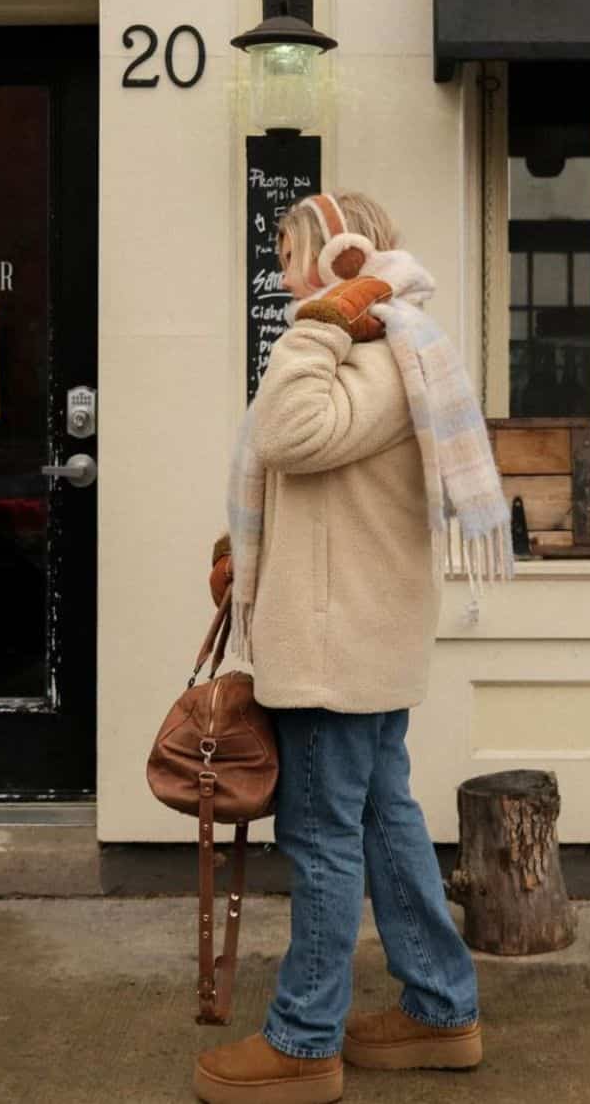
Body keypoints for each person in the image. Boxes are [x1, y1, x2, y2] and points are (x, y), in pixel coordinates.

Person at [192, 191, 515, 1104]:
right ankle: (441, 1007)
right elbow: (322, 479)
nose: (282, 273)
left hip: (337, 651)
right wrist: (247, 549)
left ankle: (303, 1040)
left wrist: (324, 318)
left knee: (321, 838)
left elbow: (292, 432)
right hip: (354, 634)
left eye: (293, 254)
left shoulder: (374, 352)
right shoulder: (381, 350)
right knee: (380, 819)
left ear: (340, 257)